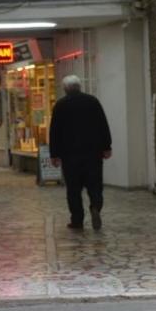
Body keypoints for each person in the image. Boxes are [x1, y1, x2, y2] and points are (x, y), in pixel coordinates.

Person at [48, 75, 112, 230]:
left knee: (73, 189)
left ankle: (77, 220)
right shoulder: (92, 102)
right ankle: (95, 206)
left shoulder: (60, 105)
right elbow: (102, 125)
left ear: (65, 89)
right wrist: (106, 146)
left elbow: (54, 131)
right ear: (79, 87)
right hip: (93, 154)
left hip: (70, 156)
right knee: (95, 185)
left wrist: (54, 154)